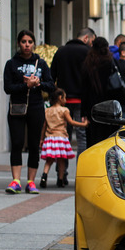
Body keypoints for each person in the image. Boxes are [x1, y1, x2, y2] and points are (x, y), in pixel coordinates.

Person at [3, 30, 55, 194]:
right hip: (17, 108)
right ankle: (16, 180)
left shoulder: (41, 63)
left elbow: (51, 86)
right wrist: (26, 85)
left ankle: (31, 181)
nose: (27, 45)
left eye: (30, 42)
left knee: (34, 144)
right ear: (19, 43)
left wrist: (38, 83)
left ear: (34, 44)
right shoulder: (11, 63)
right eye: (24, 41)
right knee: (17, 143)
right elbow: (8, 88)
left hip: (36, 107)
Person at [50, 28, 95, 156]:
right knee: (82, 138)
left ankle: (61, 173)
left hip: (63, 101)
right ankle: (80, 170)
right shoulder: (88, 52)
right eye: (92, 41)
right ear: (86, 38)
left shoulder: (60, 51)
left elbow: (51, 77)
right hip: (82, 101)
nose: (92, 44)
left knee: (63, 135)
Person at [39, 88, 88, 188]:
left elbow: (44, 126)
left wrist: (41, 139)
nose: (66, 100)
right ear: (60, 98)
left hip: (50, 138)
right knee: (61, 161)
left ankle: (44, 175)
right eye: (64, 97)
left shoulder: (47, 110)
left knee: (49, 161)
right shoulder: (64, 110)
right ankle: (60, 180)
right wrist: (83, 125)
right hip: (61, 138)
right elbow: (71, 122)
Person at [81, 36, 121, 147]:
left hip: (92, 106)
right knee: (109, 139)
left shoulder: (88, 64)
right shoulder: (111, 62)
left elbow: (84, 89)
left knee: (93, 139)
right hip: (110, 105)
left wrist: (83, 112)